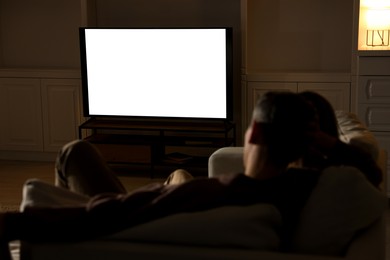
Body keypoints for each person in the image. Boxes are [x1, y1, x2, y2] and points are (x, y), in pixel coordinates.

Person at [0, 92, 382, 259]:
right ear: (304, 145)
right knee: (178, 173)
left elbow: (103, 213)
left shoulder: (213, 192)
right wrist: (327, 143)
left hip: (115, 222)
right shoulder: (303, 188)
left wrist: (12, 222)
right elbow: (370, 172)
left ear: (254, 133)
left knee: (76, 152)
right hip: (157, 207)